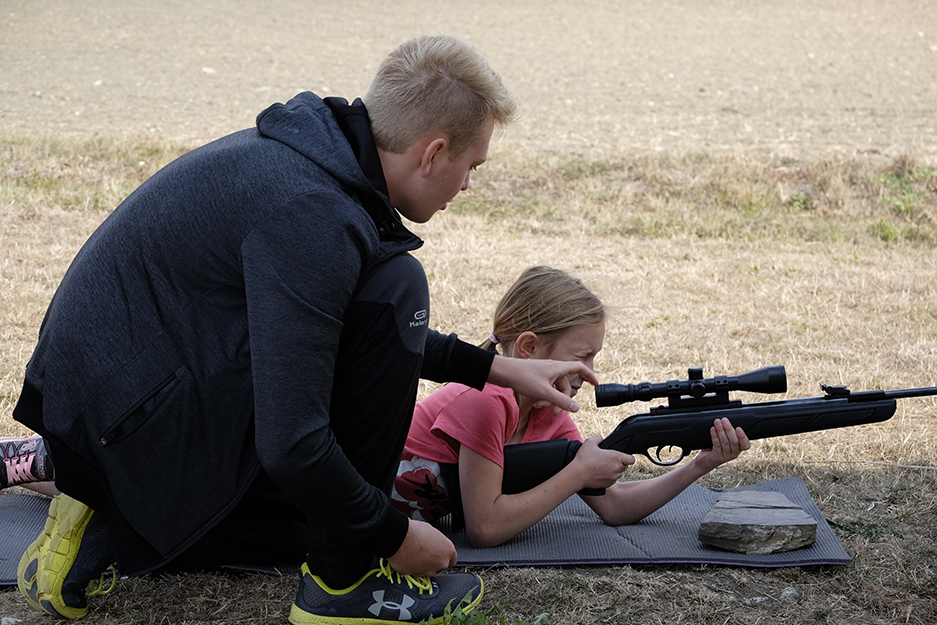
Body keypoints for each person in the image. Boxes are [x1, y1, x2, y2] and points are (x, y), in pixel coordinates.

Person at [9, 35, 598, 624]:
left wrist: (497, 368)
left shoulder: (317, 160)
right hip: (130, 421)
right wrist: (390, 535)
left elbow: (338, 330)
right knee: (396, 292)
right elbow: (293, 445)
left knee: (320, 504)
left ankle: (113, 510)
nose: (467, 185)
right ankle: (344, 582)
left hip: (125, 403)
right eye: (472, 166)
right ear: (433, 153)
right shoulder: (313, 214)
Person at [391, 266, 751, 548]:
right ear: (529, 348)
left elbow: (615, 506)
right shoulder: (484, 399)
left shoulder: (549, 412)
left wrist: (701, 464)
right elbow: (485, 528)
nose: (590, 373)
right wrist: (578, 474)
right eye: (582, 356)